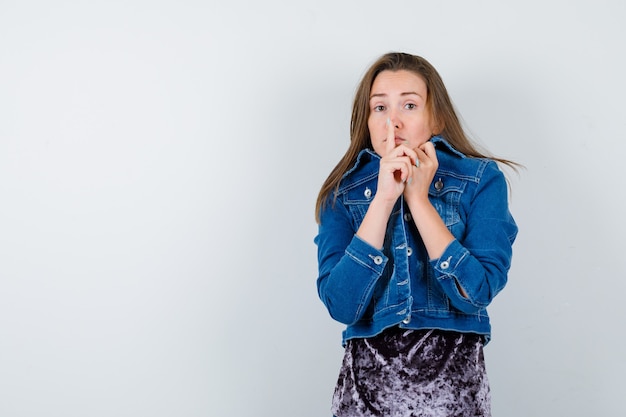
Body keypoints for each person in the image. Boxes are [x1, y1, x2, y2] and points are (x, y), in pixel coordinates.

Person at [314, 52, 518, 416]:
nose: (392, 121)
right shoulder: (340, 194)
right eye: (379, 108)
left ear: (435, 116)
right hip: (364, 395)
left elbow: (477, 293)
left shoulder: (481, 181)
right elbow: (342, 305)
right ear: (367, 119)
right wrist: (383, 199)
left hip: (453, 392)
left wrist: (419, 200)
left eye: (409, 105)